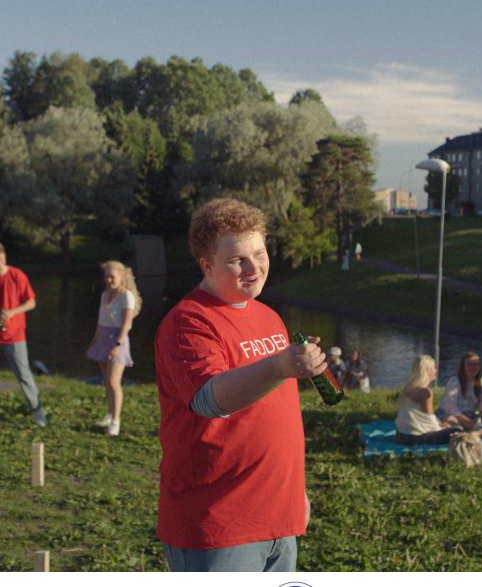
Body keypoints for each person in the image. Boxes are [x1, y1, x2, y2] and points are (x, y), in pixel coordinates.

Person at [155, 198, 325, 572]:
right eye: (237, 261)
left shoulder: (269, 317)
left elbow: (277, 415)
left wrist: (295, 492)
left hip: (279, 515)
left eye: (259, 253)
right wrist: (281, 364)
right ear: (207, 265)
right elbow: (207, 400)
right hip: (218, 524)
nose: (254, 268)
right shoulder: (188, 322)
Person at [0, 241, 46, 427]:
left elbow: (31, 303)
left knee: (24, 375)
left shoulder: (17, 276)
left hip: (14, 335)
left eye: (1, 258)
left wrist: (12, 312)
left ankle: (38, 413)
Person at [88, 260, 141, 436]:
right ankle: (110, 415)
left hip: (116, 340)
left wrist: (117, 345)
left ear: (121, 277)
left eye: (112, 276)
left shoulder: (127, 296)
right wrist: (95, 339)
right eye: (106, 276)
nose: (109, 280)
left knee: (113, 382)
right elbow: (100, 319)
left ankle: (116, 422)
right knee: (107, 382)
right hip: (102, 339)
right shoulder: (106, 295)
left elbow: (126, 323)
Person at [395, 355, 459, 446]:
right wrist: (442, 428)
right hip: (414, 438)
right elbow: (429, 420)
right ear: (428, 370)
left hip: (400, 436)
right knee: (457, 430)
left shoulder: (408, 387)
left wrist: (441, 424)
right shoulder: (425, 392)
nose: (435, 371)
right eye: (434, 368)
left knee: (447, 424)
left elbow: (424, 418)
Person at [439, 352, 482, 430]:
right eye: (469, 364)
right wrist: (466, 421)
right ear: (463, 366)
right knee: (451, 421)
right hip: (451, 414)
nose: (473, 367)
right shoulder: (454, 381)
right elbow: (449, 407)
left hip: (470, 415)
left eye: (476, 364)